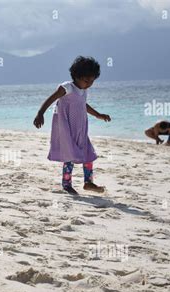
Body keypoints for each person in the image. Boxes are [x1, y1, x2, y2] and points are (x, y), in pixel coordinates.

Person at [33, 56, 111, 195]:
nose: (88, 84)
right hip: (67, 128)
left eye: (92, 81)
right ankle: (67, 184)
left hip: (80, 129)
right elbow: (51, 98)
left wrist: (98, 114)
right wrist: (40, 113)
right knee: (70, 156)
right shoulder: (67, 87)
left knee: (88, 155)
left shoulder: (83, 90)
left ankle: (88, 182)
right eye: (86, 80)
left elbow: (83, 105)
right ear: (76, 76)